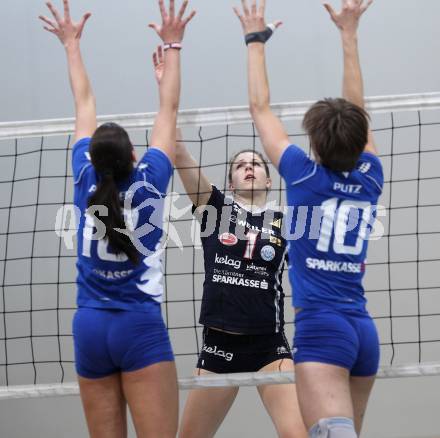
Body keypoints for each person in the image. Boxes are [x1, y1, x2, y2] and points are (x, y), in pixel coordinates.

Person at [39, 1, 195, 437]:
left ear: (92, 158)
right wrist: (172, 46)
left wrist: (71, 45)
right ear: (134, 155)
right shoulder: (150, 182)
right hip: (137, 326)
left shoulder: (83, 178)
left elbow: (83, 101)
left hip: (89, 326)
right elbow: (169, 114)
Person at [234, 0, 381, 436]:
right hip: (361, 331)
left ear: (313, 143)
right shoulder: (371, 175)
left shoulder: (302, 175)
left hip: (322, 331)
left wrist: (254, 40)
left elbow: (260, 109)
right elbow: (359, 112)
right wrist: (349, 34)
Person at [150, 45, 306, 438]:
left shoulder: (287, 222)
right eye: (241, 164)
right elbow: (179, 151)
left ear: (269, 180)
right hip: (220, 346)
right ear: (231, 179)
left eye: (256, 163)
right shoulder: (214, 210)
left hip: (270, 346)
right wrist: (164, 88)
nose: (249, 167)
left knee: (299, 434)